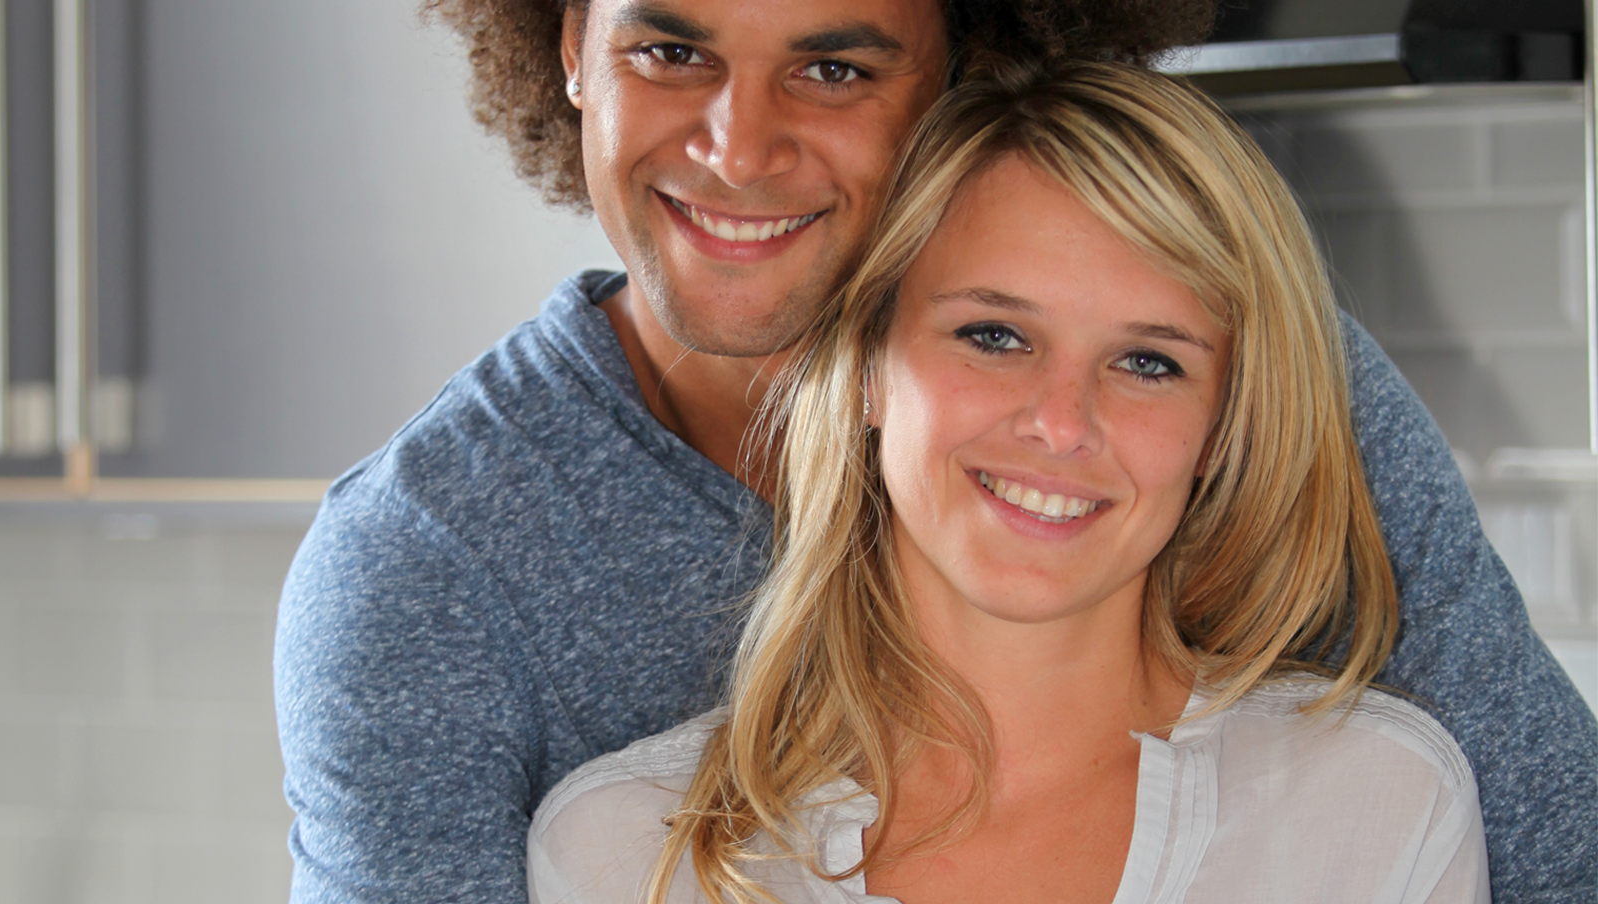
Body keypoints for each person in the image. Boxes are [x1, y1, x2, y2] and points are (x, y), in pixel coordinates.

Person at [272, 0, 1597, 901]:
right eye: (669, 52)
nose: (739, 147)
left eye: (834, 68)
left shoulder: (1247, 377)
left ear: (963, 70)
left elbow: (1557, 851)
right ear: (573, 48)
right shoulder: (430, 569)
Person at [528, 58, 1488, 904]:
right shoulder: (624, 855)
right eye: (994, 336)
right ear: (864, 365)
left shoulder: (1379, 807)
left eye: (1149, 362)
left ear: (1223, 426)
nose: (1063, 423)